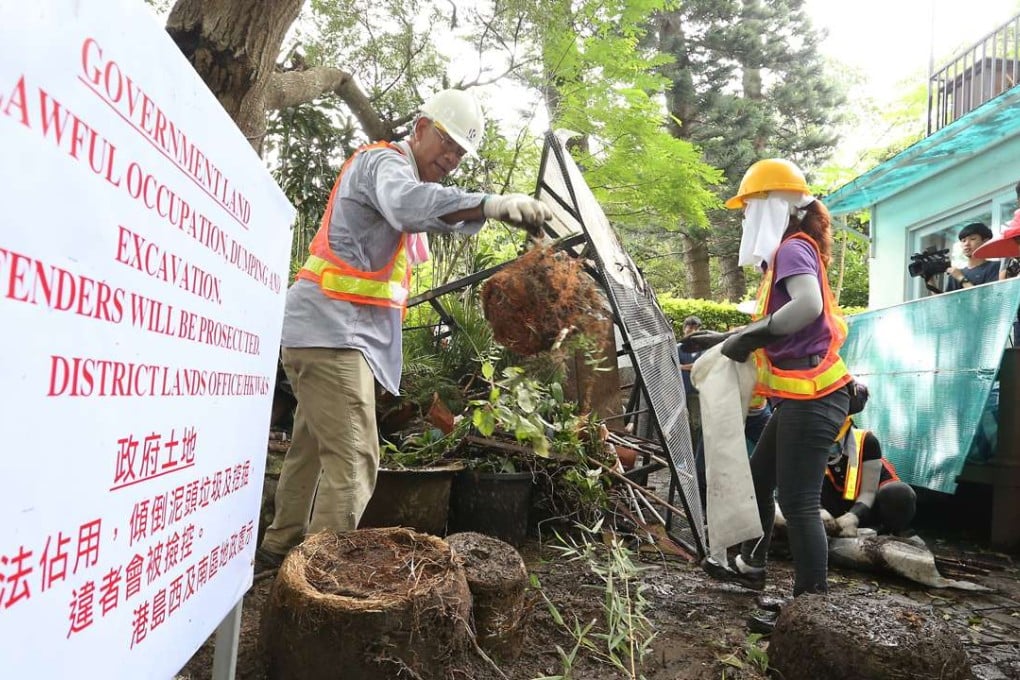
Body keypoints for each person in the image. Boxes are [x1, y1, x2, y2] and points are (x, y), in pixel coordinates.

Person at [256, 89, 552, 569]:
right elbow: (408, 203)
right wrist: (490, 203)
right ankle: (315, 580)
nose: (452, 157)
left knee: (310, 450)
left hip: (324, 332)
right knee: (355, 464)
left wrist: (485, 210)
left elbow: (429, 216)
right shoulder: (385, 165)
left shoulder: (397, 173)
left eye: (460, 152)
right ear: (419, 128)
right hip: (332, 333)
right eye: (447, 142)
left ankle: (276, 551)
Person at [687, 158, 854, 612]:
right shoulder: (793, 250)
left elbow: (806, 308)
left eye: (749, 208)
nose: (745, 217)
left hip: (815, 396)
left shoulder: (792, 249)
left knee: (799, 503)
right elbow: (781, 321)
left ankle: (810, 608)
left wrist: (750, 338)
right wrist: (725, 338)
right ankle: (752, 567)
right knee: (760, 480)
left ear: (772, 205)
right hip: (804, 396)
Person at [820, 417, 916, 539]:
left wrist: (853, 517)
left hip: (871, 507)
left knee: (899, 493)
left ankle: (892, 532)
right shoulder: (805, 445)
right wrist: (819, 512)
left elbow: (868, 492)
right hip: (837, 505)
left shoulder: (867, 442)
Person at [943, 222, 998, 291]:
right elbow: (946, 301)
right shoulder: (955, 273)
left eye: (972, 239)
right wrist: (930, 281)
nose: (966, 244)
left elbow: (986, 299)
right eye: (963, 241)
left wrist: (961, 278)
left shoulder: (995, 267)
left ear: (985, 241)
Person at [677, 315, 704, 448]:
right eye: (689, 327)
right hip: (680, 391)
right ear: (684, 329)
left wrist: (682, 367)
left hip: (696, 391)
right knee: (681, 424)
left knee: (696, 423)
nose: (692, 330)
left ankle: (695, 453)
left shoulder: (703, 347)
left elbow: (700, 364)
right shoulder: (678, 348)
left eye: (695, 328)